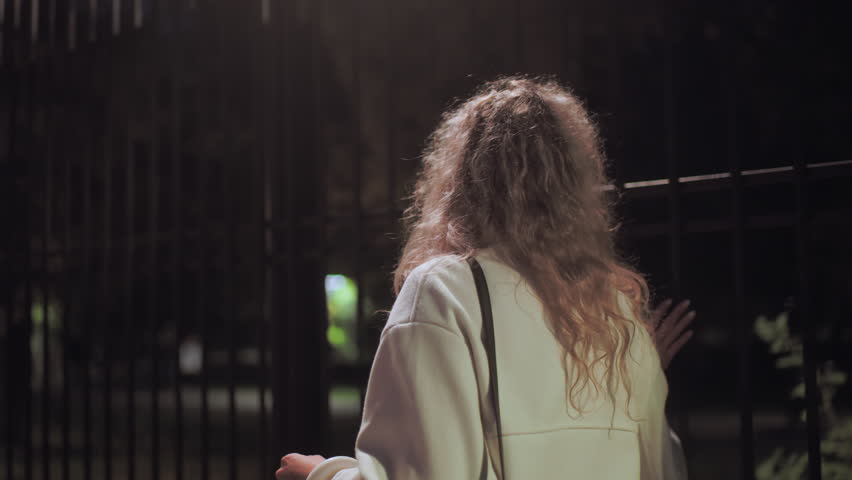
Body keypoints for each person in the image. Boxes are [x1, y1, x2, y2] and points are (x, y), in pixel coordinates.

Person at [276, 76, 694, 480]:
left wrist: (322, 475)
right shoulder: (613, 308)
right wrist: (645, 372)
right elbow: (661, 468)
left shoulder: (445, 290)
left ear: (462, 181)